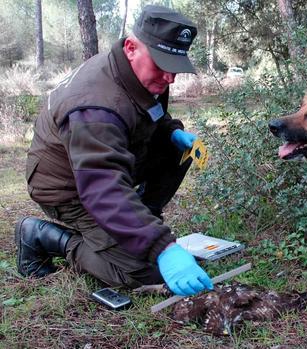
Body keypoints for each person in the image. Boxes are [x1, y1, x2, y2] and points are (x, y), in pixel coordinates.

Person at [15, 5, 212, 297]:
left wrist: (172, 132)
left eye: (175, 67)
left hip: (105, 164)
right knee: (146, 272)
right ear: (131, 48)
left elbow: (148, 112)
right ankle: (47, 238)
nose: (170, 79)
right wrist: (162, 248)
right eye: (161, 65)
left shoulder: (139, 70)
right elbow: (102, 188)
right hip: (68, 187)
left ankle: (134, 224)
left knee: (175, 150)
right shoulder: (95, 106)